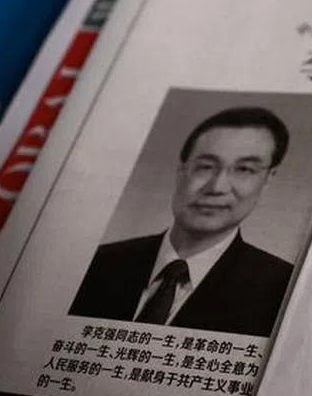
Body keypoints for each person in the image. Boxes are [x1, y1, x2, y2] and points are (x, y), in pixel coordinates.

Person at [70, 106, 294, 337]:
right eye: (206, 167)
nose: (217, 187)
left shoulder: (283, 289)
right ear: (181, 170)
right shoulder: (98, 264)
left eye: (244, 169)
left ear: (268, 180)